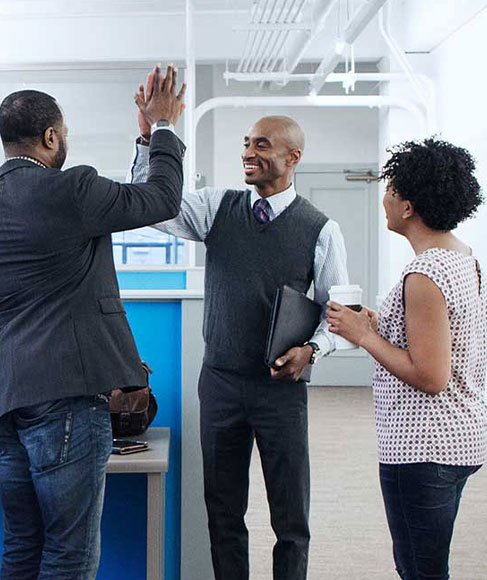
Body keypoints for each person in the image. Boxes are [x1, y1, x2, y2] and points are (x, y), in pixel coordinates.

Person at [0, 65, 186, 580]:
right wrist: (164, 127)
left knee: (21, 543)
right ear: (52, 136)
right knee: (69, 551)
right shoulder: (72, 190)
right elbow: (162, 200)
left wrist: (144, 142)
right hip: (66, 403)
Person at [132, 81, 348, 580]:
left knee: (290, 517)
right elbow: (155, 205)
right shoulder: (217, 207)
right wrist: (149, 140)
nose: (249, 153)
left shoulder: (321, 228)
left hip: (280, 390)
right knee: (223, 511)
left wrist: (312, 352)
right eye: (247, 144)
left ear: (293, 157)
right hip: (222, 384)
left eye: (262, 145)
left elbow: (337, 310)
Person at [327, 137, 487, 580]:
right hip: (460, 436)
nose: (384, 198)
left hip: (425, 445)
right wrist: (382, 325)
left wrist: (364, 336)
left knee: (420, 569)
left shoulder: (424, 273)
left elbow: (431, 375)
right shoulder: (461, 258)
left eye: (391, 189)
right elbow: (440, 340)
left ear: (408, 207)